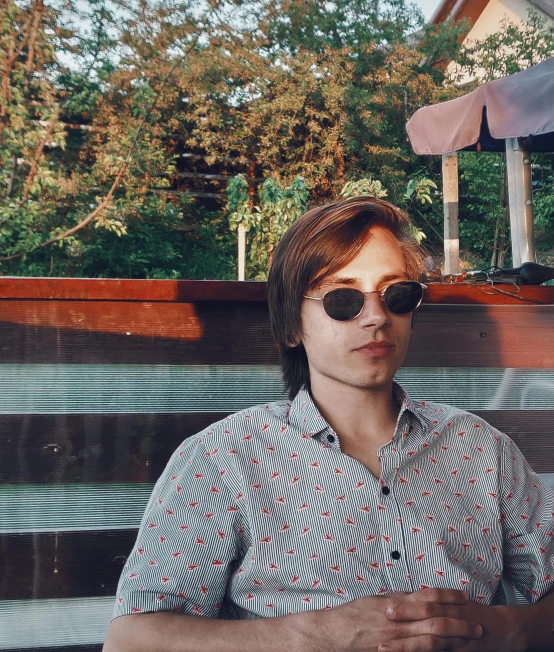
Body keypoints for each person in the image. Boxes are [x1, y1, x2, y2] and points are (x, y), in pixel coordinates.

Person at [103, 197, 554, 652]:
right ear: (290, 326)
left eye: (396, 294)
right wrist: (310, 635)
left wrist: (510, 630)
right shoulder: (223, 460)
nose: (377, 317)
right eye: (343, 299)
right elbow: (130, 641)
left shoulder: (480, 450)